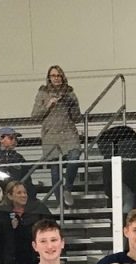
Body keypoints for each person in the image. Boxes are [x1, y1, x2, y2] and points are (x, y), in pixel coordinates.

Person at [31, 66, 82, 206]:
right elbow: (34, 116)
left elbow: (77, 118)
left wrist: (72, 105)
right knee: (55, 170)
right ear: (49, 78)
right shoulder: (43, 92)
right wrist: (48, 105)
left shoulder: (70, 92)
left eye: (59, 75)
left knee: (75, 156)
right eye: (53, 75)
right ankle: (61, 204)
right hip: (51, 134)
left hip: (68, 132)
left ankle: (67, 189)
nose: (56, 78)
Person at [0, 181, 52, 264]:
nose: (23, 195)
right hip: (8, 262)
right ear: (10, 196)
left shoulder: (38, 210)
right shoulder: (1, 213)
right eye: (19, 193)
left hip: (33, 259)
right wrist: (9, 226)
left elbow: (51, 228)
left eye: (25, 192)